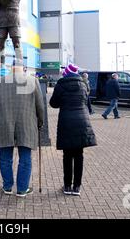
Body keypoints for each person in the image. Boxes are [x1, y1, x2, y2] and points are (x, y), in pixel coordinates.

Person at [0, 64, 45, 197]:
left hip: (4, 123)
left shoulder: (0, 81)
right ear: (24, 69)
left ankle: (7, 187)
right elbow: (40, 105)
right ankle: (22, 189)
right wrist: (40, 122)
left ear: (10, 69)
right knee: (25, 157)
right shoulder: (32, 80)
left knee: (5, 158)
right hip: (26, 123)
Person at [49, 63, 97, 196]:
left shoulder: (60, 84)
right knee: (79, 155)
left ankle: (67, 186)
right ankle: (77, 187)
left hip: (66, 122)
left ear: (66, 73)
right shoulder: (83, 85)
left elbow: (53, 103)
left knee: (67, 156)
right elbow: (86, 102)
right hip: (82, 122)